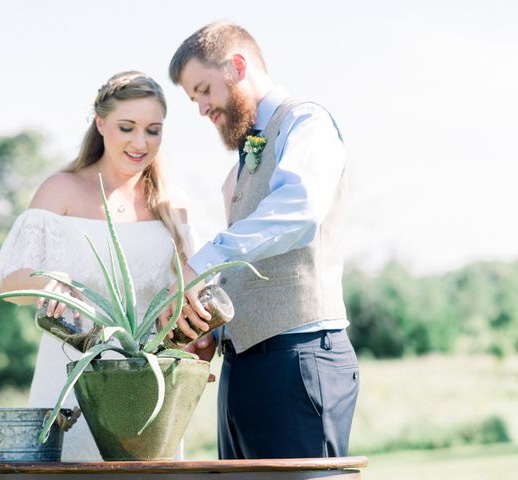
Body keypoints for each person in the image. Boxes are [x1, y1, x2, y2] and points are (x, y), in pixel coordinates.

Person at [161, 22, 359, 459]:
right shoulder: (243, 158)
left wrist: (202, 265)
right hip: (242, 367)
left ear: (236, 66)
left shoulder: (306, 122)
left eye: (204, 90)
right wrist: (215, 329)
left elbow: (299, 211)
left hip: (300, 361)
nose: (202, 109)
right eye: (194, 99)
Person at [0, 71, 193, 461]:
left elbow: (188, 292)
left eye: (153, 130)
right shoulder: (60, 189)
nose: (140, 142)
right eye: (127, 127)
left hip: (149, 391)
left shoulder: (172, 201)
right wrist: (52, 283)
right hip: (69, 377)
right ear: (100, 124)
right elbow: (10, 282)